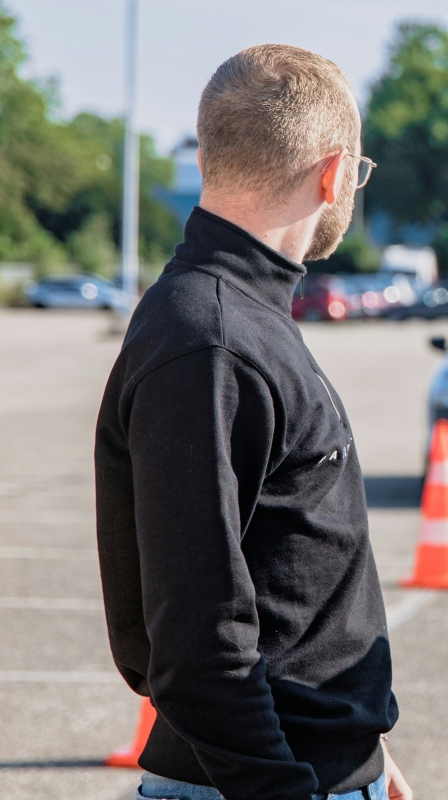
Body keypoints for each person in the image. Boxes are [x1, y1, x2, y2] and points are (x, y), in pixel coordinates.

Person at [94, 45, 411, 800]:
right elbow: (196, 646)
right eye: (357, 177)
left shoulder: (237, 318)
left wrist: (360, 748)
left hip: (318, 767)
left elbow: (282, 578)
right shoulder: (210, 339)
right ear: (334, 174)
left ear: (208, 156)